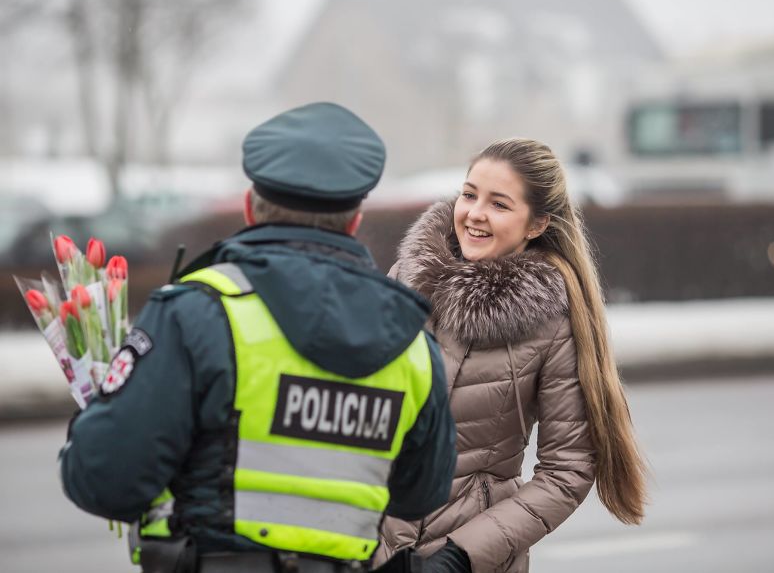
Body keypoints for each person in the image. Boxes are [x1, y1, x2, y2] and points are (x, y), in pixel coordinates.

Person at [59, 102, 457, 573]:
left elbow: (103, 479)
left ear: (250, 207)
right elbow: (422, 494)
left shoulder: (196, 313)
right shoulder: (411, 343)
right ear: (354, 219)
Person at [373, 138, 648, 573]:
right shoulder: (405, 281)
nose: (475, 213)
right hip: (370, 551)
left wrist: (460, 556)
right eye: (469, 194)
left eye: (499, 204)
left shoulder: (552, 322)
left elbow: (567, 470)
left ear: (536, 224)